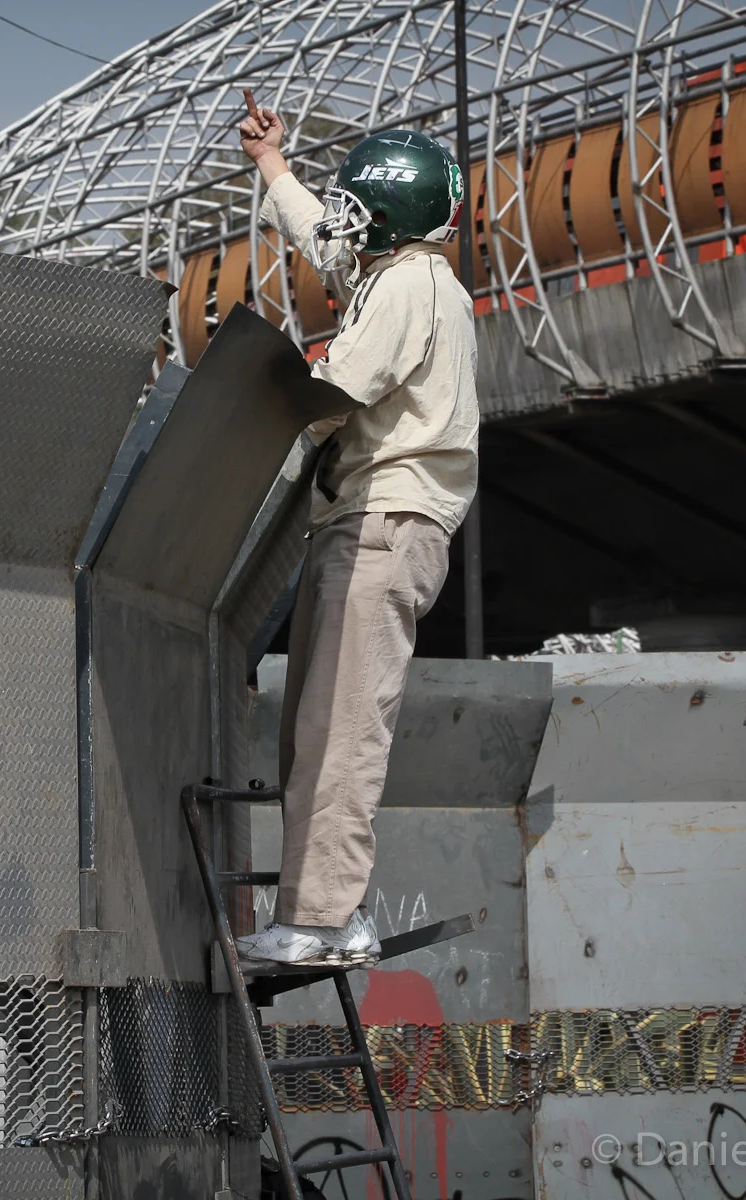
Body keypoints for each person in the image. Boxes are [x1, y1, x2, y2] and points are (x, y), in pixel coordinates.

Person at [231, 99, 478, 965]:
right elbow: (321, 239)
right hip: (369, 521)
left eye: (356, 205)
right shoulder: (400, 272)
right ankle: (331, 911)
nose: (342, 220)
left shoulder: (409, 286)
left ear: (392, 211)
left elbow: (336, 391)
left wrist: (249, 421)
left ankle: (325, 920)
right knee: (320, 726)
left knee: (339, 730)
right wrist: (272, 162)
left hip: (382, 521)